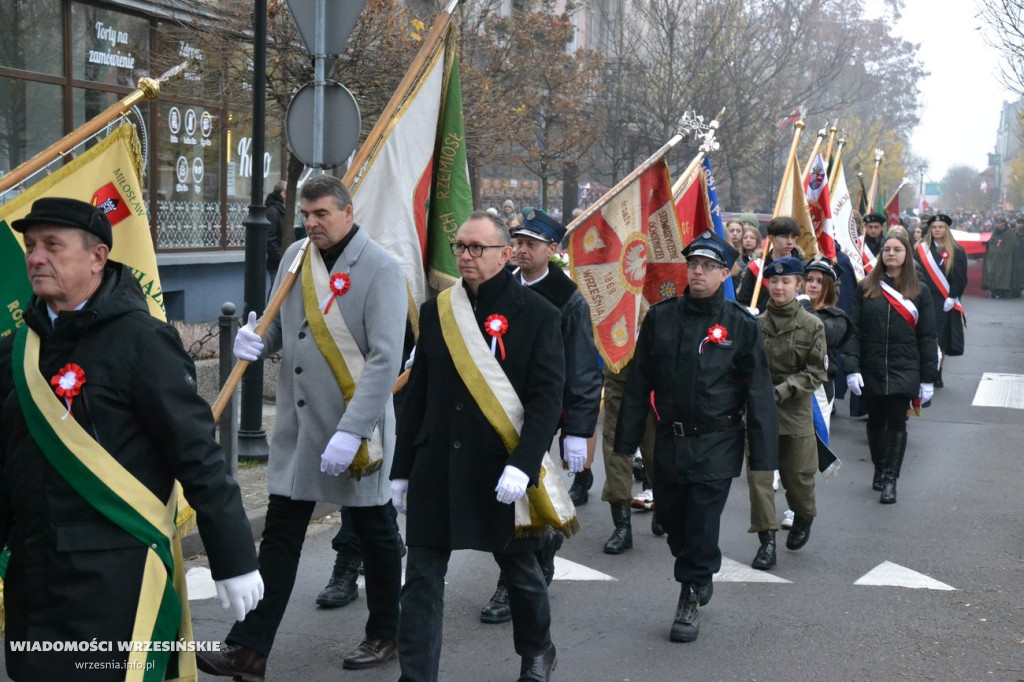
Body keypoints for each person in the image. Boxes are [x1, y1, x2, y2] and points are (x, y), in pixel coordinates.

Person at [0, 197, 261, 680]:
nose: (36, 258)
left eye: (53, 245)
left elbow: (198, 456)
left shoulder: (143, 341)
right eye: (31, 246)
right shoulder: (16, 351)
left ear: (98, 257)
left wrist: (235, 556)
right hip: (33, 582)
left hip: (114, 585)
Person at [197, 175, 406, 678]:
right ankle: (249, 648)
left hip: (357, 431)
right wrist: (255, 339)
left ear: (348, 213)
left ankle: (385, 633)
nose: (312, 224)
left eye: (322, 215)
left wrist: (353, 429)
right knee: (282, 535)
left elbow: (384, 360)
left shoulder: (381, 269)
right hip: (300, 427)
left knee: (376, 533)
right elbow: (278, 325)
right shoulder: (294, 258)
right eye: (306, 216)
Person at [391, 211, 570, 681]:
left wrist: (524, 464)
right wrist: (400, 469)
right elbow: (418, 396)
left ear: (505, 254)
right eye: (461, 247)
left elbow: (547, 400)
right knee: (422, 580)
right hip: (436, 465)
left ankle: (537, 651)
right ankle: (416, 675)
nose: (466, 256)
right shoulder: (437, 312)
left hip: (499, 465)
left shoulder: (539, 315)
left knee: (520, 572)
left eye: (477, 248)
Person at [614, 229, 778, 643]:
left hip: (717, 441)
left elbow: (758, 391)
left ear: (725, 273)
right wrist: (625, 442)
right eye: (693, 264)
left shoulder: (741, 324)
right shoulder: (662, 317)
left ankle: (691, 591)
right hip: (669, 440)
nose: (698, 272)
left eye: (707, 266)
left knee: (703, 521)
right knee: (671, 520)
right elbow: (639, 383)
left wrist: (762, 457)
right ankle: (697, 565)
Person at [478, 209, 602, 625]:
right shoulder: (496, 287)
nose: (522, 250)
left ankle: (510, 581)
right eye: (518, 242)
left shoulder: (567, 298)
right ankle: (543, 543)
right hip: (494, 408)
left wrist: (578, 430)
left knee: (519, 495)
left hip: (542, 412)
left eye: (532, 243)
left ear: (554, 250)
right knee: (500, 494)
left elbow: (583, 368)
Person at [844, 231, 938, 504]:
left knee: (897, 422)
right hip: (871, 367)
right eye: (886, 249)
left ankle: (890, 480)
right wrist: (851, 367)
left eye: (897, 249)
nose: (891, 254)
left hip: (904, 368)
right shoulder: (866, 288)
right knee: (875, 422)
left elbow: (928, 336)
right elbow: (854, 331)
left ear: (906, 254)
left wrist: (928, 378)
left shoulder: (919, 290)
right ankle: (879, 467)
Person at [746, 257, 827, 570]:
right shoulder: (755, 325)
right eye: (774, 282)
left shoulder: (812, 325)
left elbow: (815, 373)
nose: (779, 287)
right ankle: (766, 541)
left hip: (794, 415)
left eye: (786, 282)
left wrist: (780, 391)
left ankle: (804, 516)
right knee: (760, 480)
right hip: (760, 417)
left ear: (799, 286)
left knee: (799, 481)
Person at [914, 213, 967, 387]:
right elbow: (913, 273)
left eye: (941, 227)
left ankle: (937, 371)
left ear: (946, 229)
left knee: (940, 339)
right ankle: (922, 370)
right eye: (934, 227)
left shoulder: (957, 251)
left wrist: (953, 297)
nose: (937, 230)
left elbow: (960, 277)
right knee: (921, 335)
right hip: (923, 298)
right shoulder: (921, 249)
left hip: (944, 301)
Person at [737, 216, 803, 312]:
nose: (790, 242)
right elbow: (743, 302)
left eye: (793, 237)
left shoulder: (802, 266)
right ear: (771, 238)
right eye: (784, 236)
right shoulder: (757, 267)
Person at [982, 215, 1017, 299]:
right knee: (993, 275)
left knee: (1002, 276)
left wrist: (1002, 253)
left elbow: (1011, 246)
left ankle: (1002, 291)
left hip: (1004, 260)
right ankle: (994, 291)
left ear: (1004, 223)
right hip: (994, 259)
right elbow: (991, 243)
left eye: (1000, 223)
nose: (998, 224)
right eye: (997, 222)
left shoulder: (1009, 234)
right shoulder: (994, 233)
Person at [265, 180, 287, 275]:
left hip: (280, 259)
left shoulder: (280, 209)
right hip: (276, 261)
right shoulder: (273, 211)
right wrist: (280, 256)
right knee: (277, 288)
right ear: (282, 193)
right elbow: (270, 238)